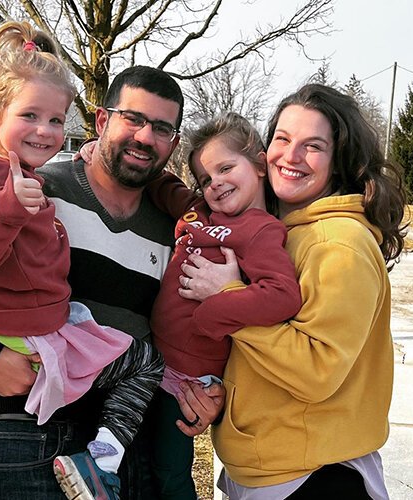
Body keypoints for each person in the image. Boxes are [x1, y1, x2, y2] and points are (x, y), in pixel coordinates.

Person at [0, 62, 225, 499]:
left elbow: (180, 331)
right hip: (20, 438)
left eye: (162, 128)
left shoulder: (174, 230)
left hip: (121, 451)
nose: (145, 137)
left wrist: (202, 389)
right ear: (102, 120)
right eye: (133, 119)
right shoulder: (32, 190)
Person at [180, 84, 407, 499]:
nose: (292, 156)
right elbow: (265, 358)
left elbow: (316, 369)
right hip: (275, 468)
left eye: (313, 145)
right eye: (282, 139)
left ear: (339, 161)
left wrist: (228, 299)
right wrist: (221, 398)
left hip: (313, 476)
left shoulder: (337, 243)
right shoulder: (282, 232)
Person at [142, 112, 302, 498]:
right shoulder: (199, 210)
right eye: (206, 178)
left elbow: (282, 294)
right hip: (151, 352)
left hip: (187, 372)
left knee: (168, 469)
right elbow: (163, 186)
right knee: (139, 453)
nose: (215, 184)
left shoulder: (261, 230)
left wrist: (215, 307)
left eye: (226, 168)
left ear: (261, 164)